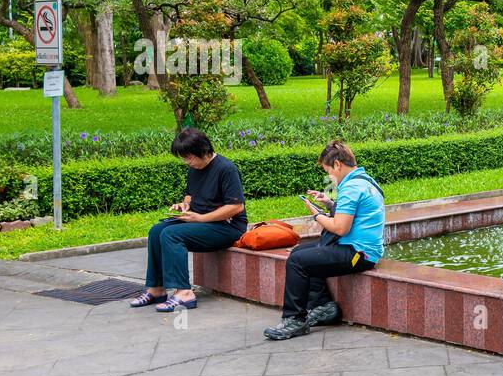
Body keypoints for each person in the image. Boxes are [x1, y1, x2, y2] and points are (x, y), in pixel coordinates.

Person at [264, 140, 385, 341]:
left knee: (298, 261)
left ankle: (295, 319)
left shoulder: (351, 187)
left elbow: (340, 227)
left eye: (328, 171)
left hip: (358, 254)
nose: (329, 177)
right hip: (357, 249)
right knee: (299, 253)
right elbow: (350, 215)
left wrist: (316, 214)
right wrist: (329, 202)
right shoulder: (364, 180)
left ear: (337, 165)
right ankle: (323, 306)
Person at [129, 128, 247, 312]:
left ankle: (184, 293)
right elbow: (190, 195)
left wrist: (201, 218)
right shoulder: (194, 169)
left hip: (226, 227)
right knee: (156, 231)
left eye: (189, 157)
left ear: (204, 151)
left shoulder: (226, 169)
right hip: (201, 222)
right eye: (184, 158)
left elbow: (236, 207)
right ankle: (157, 289)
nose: (187, 162)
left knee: (171, 234)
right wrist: (184, 205)